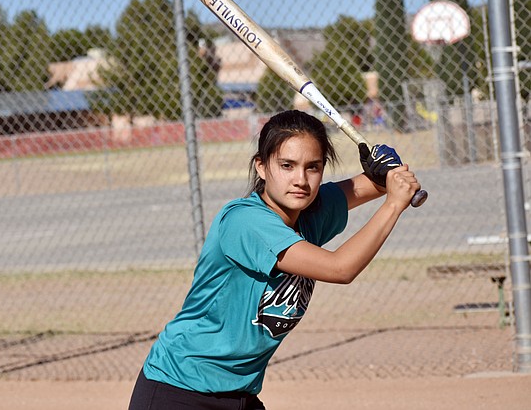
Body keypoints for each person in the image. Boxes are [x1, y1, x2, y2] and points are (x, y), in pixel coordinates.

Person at [128, 109, 420, 410]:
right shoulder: (245, 222)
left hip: (239, 393)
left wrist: (385, 172)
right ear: (262, 167)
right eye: (287, 165)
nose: (300, 180)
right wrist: (394, 204)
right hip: (179, 391)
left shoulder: (309, 213)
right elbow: (340, 268)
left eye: (313, 167)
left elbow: (372, 184)